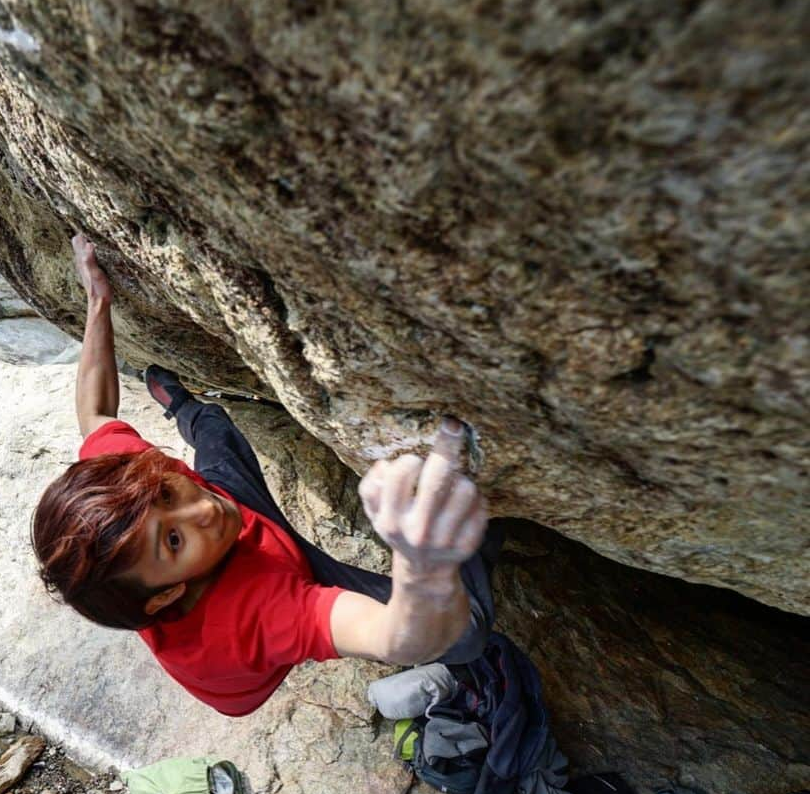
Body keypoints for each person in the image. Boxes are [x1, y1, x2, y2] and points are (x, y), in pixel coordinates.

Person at [33, 234, 500, 717]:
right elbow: (396, 638)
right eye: (172, 540)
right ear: (169, 593)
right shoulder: (253, 616)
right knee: (466, 635)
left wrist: (97, 300)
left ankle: (185, 408)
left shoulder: (134, 486)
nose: (204, 508)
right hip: (264, 578)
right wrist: (423, 565)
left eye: (168, 493)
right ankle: (479, 534)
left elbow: (95, 412)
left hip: (235, 545)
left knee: (215, 431)